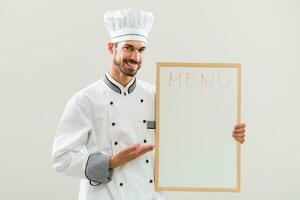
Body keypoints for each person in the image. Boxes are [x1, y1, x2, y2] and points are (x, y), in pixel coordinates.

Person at [51, 8, 246, 200]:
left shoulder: (157, 96)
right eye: (128, 48)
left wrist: (228, 135)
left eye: (141, 50)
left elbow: (189, 136)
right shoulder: (85, 100)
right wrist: (111, 162)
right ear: (111, 48)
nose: (135, 57)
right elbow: (62, 158)